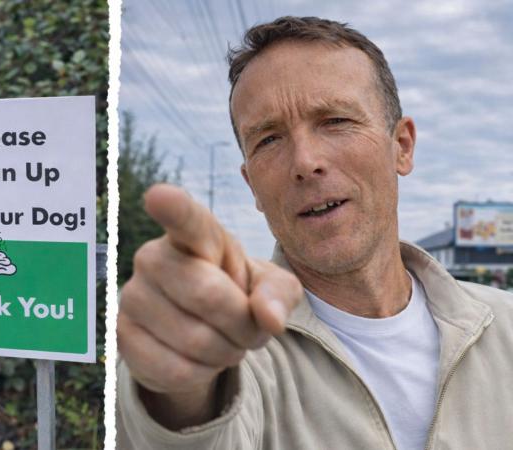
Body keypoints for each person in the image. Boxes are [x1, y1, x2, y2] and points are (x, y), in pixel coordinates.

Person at [116, 16, 513, 450]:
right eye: (268, 140)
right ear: (252, 186)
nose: (305, 161)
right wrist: (177, 393)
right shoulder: (241, 354)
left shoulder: (503, 326)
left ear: (401, 146)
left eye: (336, 120)